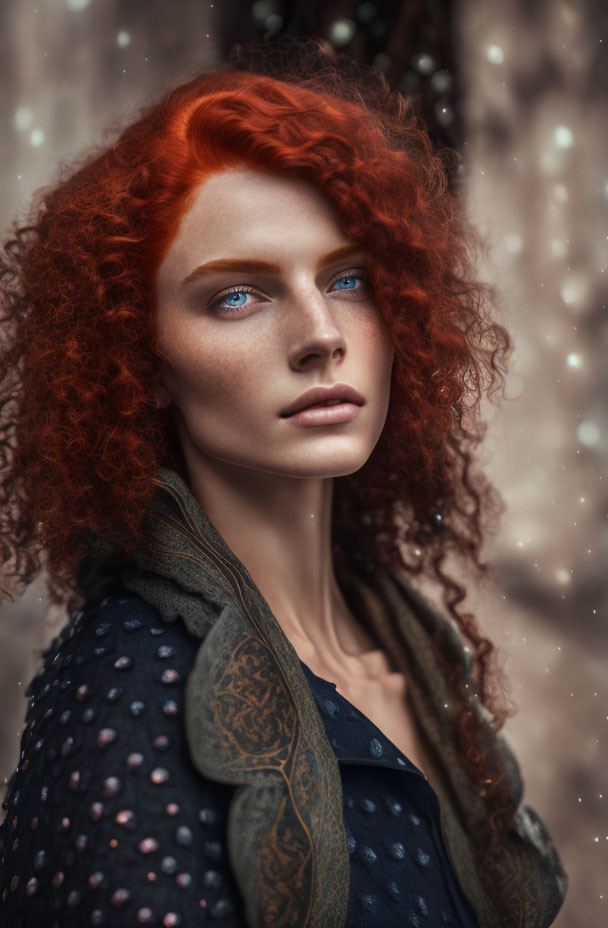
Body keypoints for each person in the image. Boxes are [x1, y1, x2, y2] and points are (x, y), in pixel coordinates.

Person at [0, 38, 568, 928]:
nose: (320, 334)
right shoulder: (129, 692)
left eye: (348, 279)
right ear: (139, 359)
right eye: (237, 296)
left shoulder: (415, 655)